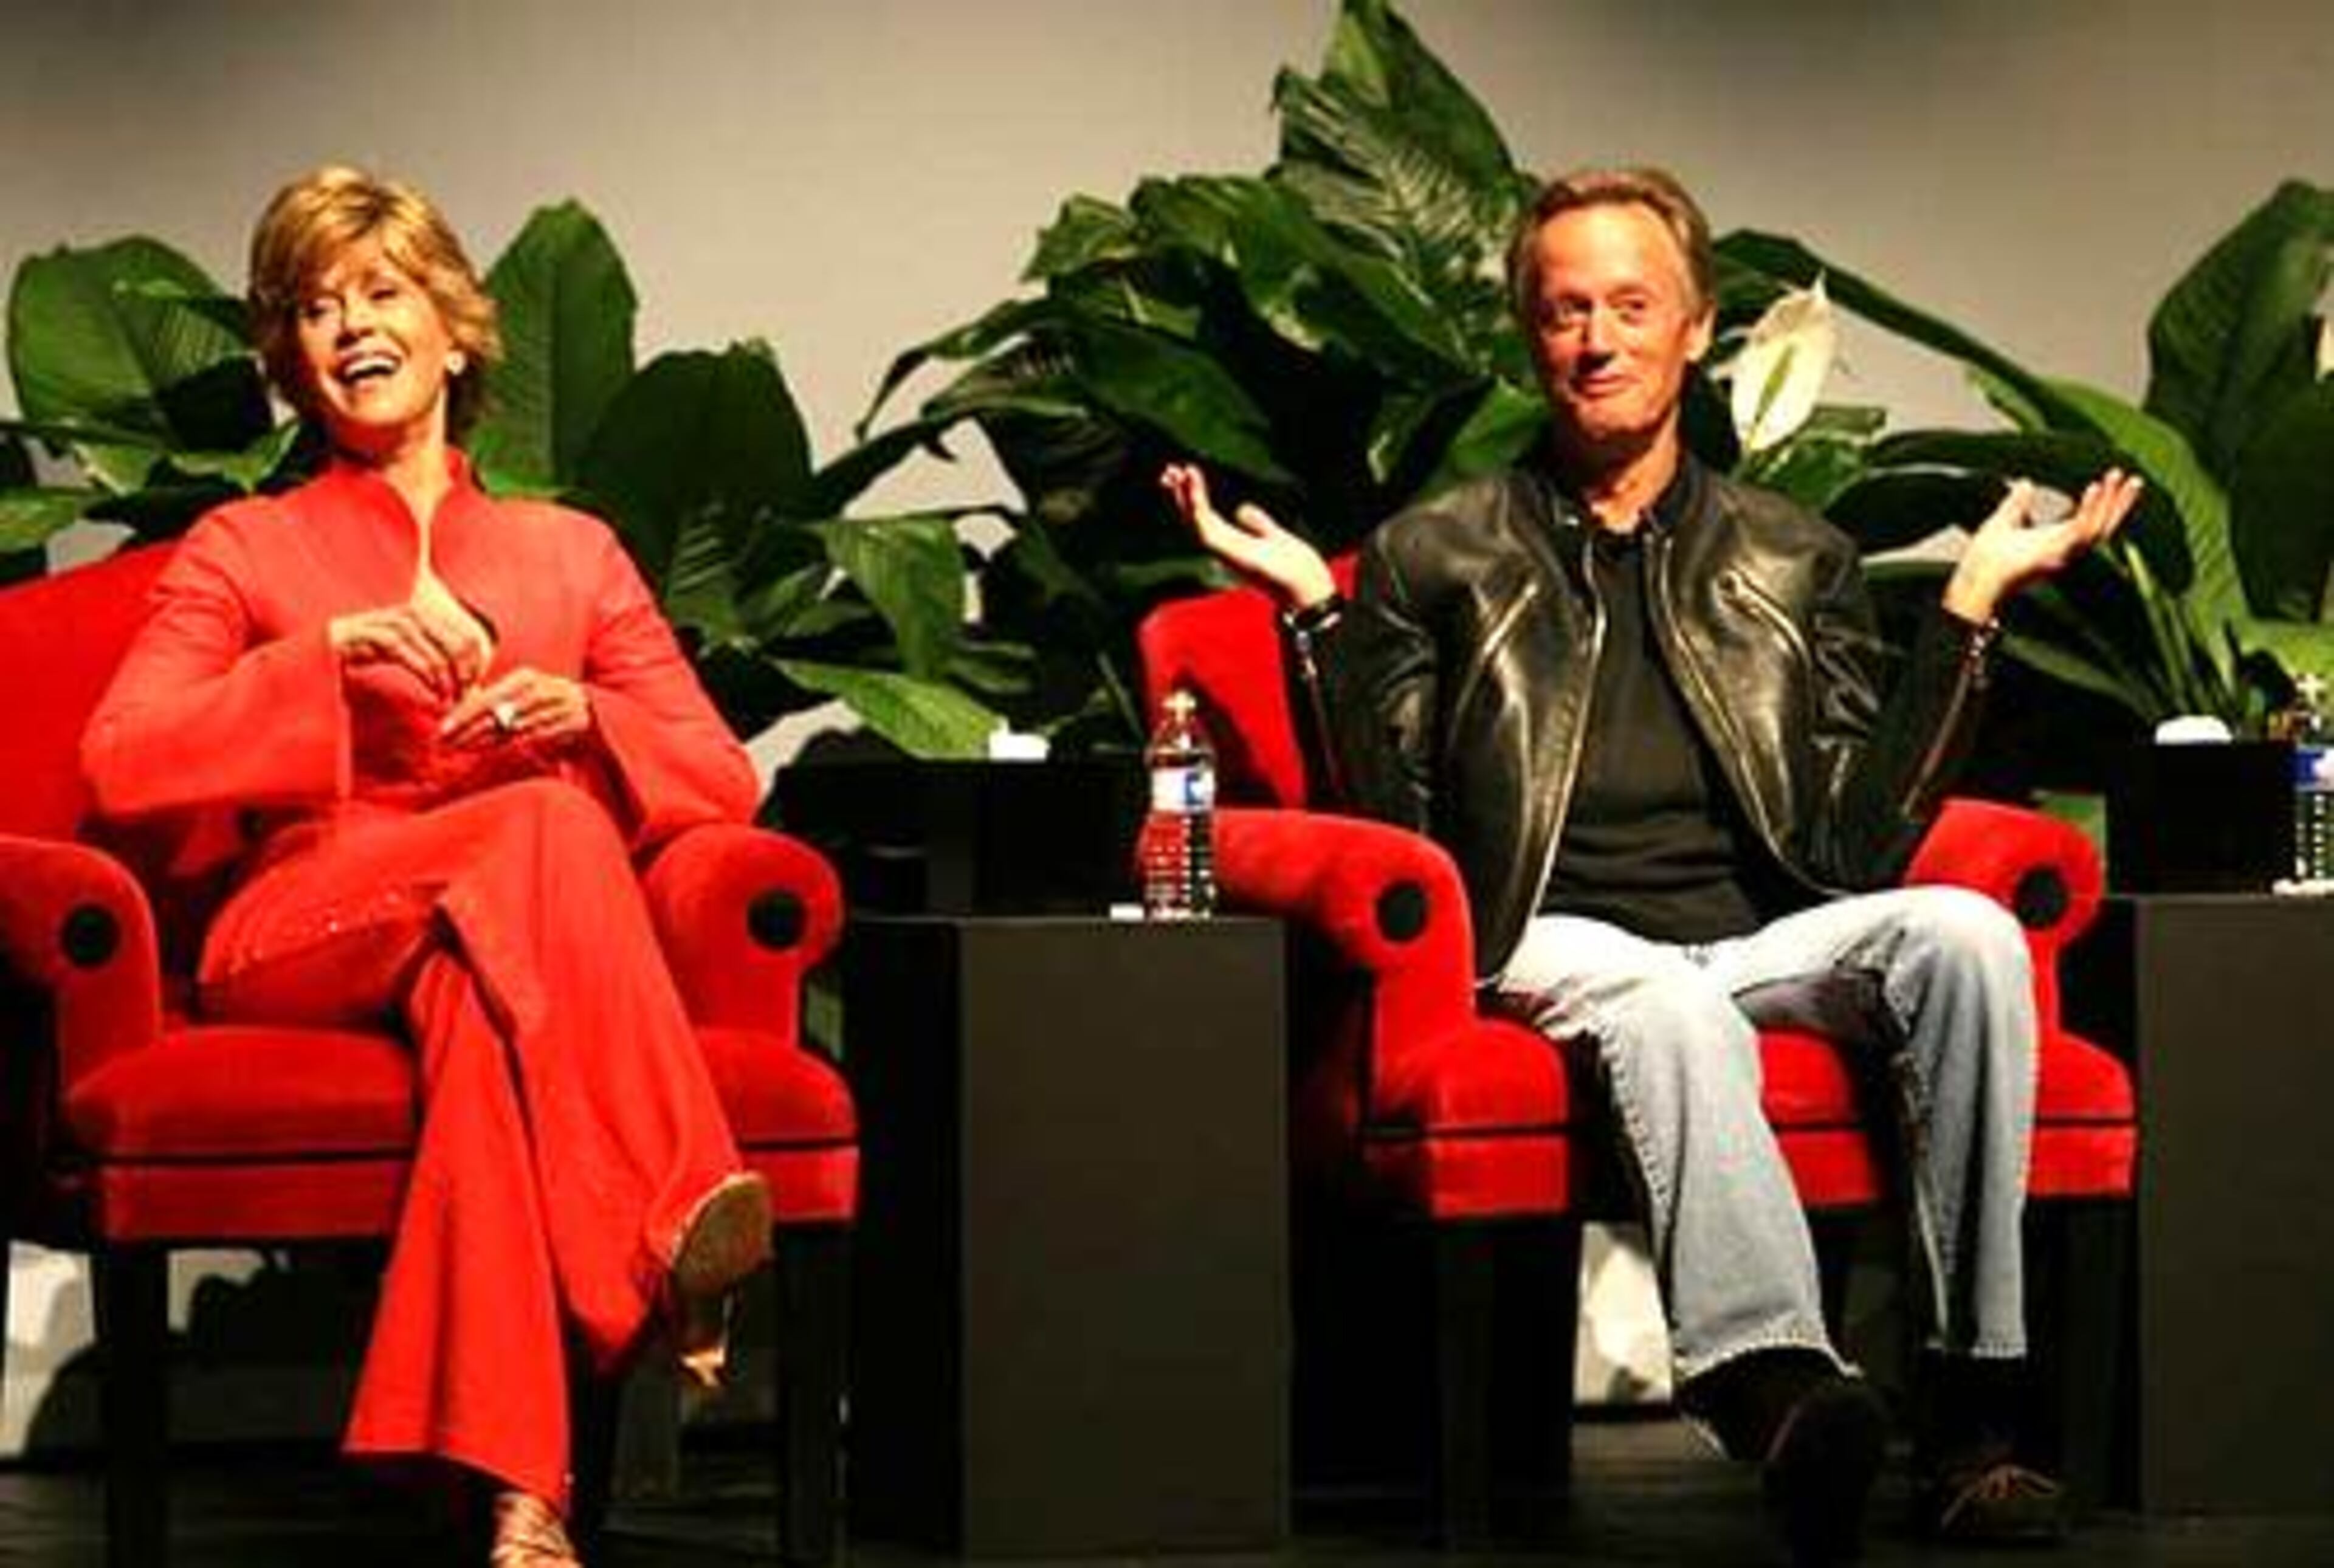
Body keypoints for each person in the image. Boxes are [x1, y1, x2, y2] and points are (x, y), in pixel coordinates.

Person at [1163, 165, 2142, 1563]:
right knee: (1661, 1003)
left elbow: (1861, 845)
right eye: (1566, 311)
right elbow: (1398, 831)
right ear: (1529, 336)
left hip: (1760, 938)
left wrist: (1970, 614)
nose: (1598, 339)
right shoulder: (1440, 552)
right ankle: (1774, 1387)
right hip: (1551, 935)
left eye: (1632, 306)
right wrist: (1323, 620)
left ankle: (1973, 1416)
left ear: (1695, 331)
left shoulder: (1793, 555)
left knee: (1970, 938)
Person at [81, 166, 772, 1567]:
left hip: (506, 938)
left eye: (381, 293)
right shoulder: (246, 545)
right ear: (292, 363)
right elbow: (120, 763)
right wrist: (315, 666)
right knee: (548, 827)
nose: (349, 328)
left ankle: (523, 1502)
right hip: (305, 920)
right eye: (316, 309)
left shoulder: (572, 555)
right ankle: (671, 1224)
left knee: (485, 1028)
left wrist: (596, 719)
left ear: (455, 330)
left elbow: (721, 779)